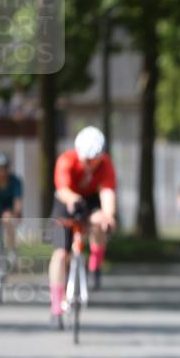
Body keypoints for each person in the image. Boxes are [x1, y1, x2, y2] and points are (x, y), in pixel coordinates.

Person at [48, 126, 118, 328]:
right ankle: (56, 307)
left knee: (100, 222)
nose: (90, 165)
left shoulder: (105, 164)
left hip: (91, 198)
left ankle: (95, 266)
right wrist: (73, 200)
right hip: (67, 198)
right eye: (86, 160)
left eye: (93, 160)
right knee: (60, 254)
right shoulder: (66, 160)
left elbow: (107, 193)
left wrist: (109, 216)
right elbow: (62, 189)